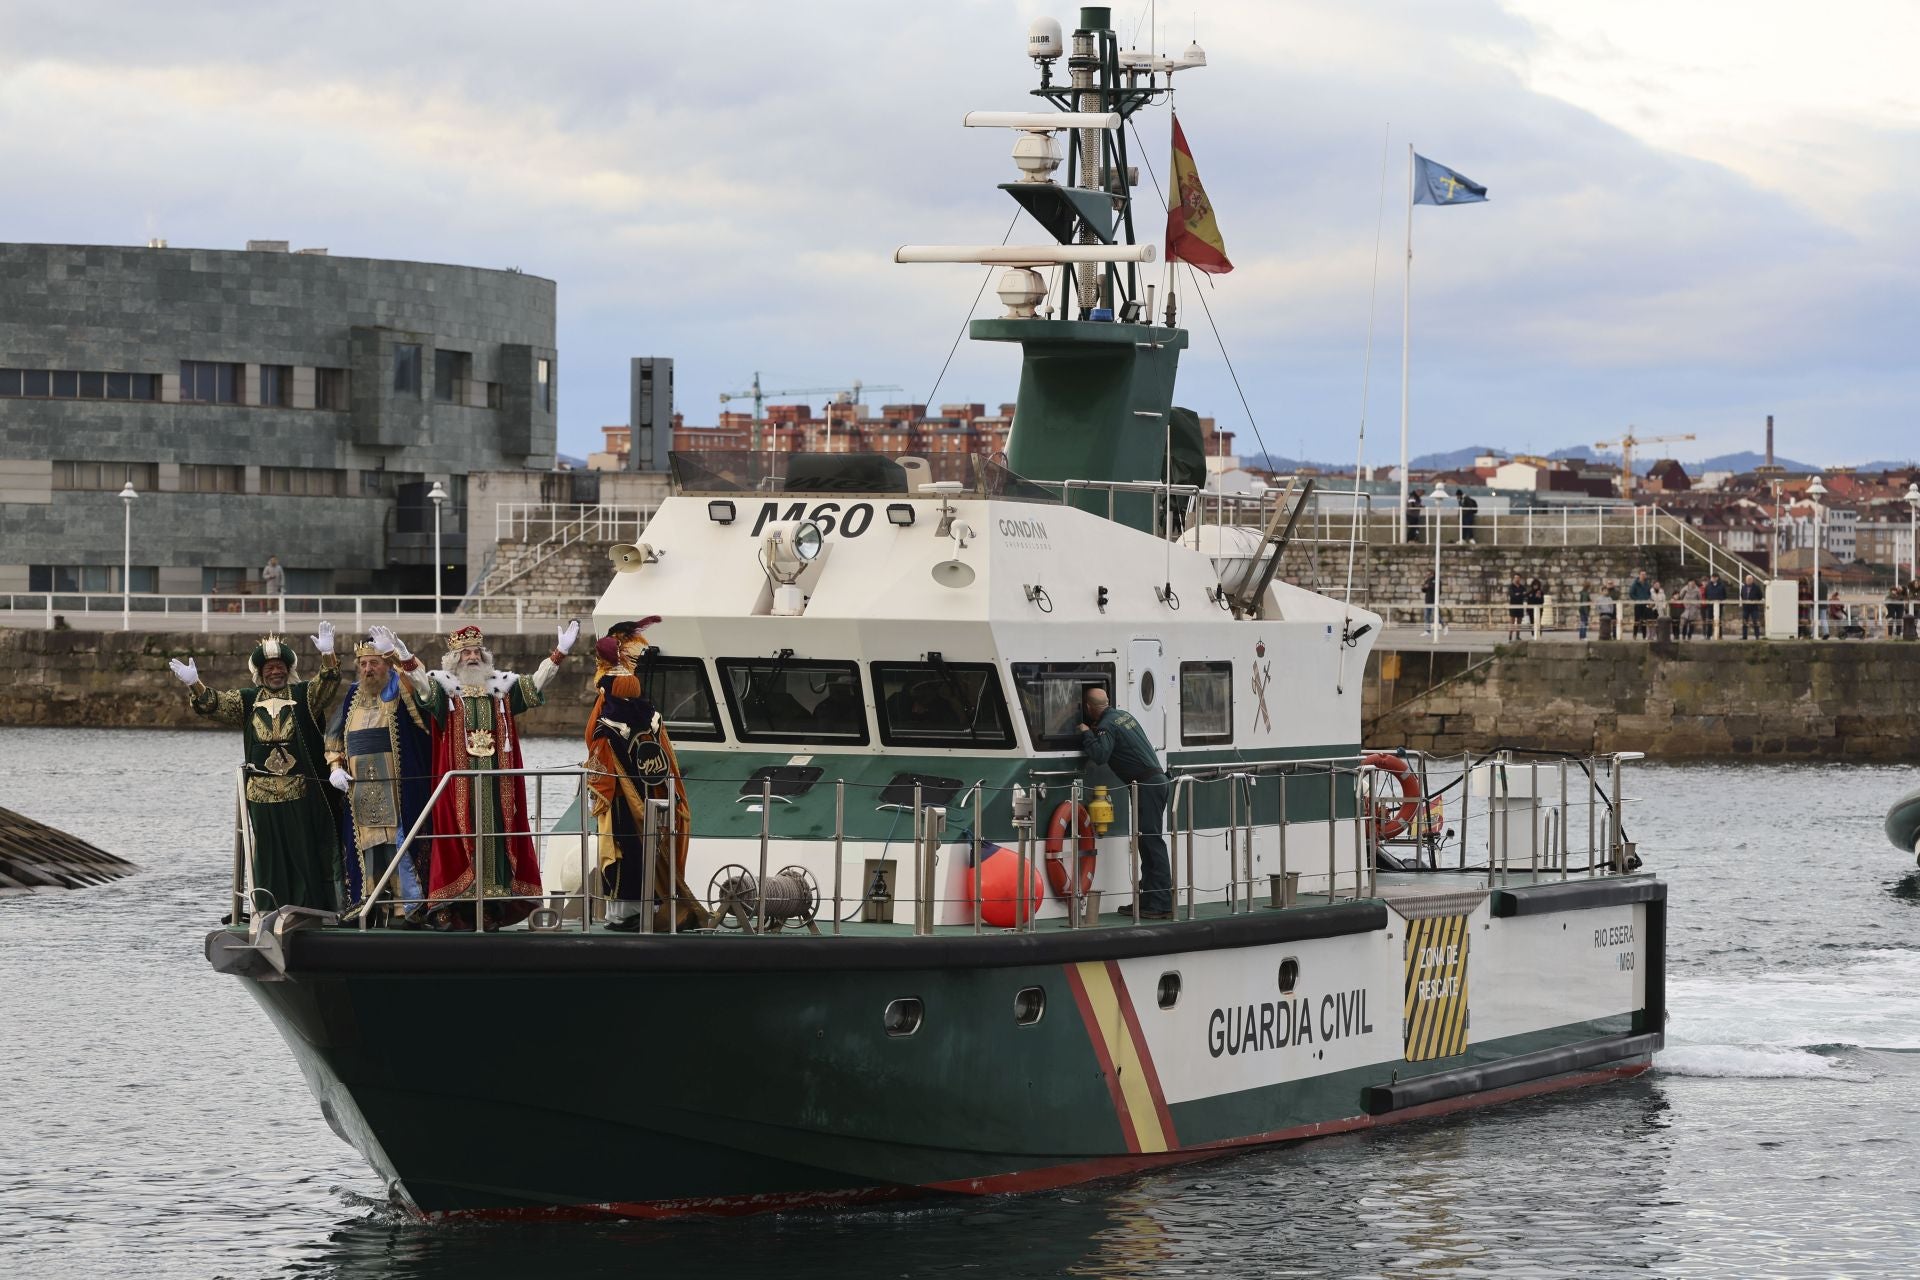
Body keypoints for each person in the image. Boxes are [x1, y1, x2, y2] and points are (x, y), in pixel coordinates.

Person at [407, 620, 580, 930]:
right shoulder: (445, 690)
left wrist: (559, 653)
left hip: (497, 785)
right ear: (453, 659)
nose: (472, 657)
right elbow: (421, 686)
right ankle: (452, 906)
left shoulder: (501, 689)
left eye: (476, 651)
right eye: (465, 653)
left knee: (499, 838)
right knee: (454, 840)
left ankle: (490, 905)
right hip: (458, 786)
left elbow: (536, 683)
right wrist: (404, 659)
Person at [171, 627, 343, 916]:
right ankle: (267, 905)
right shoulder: (247, 700)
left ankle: (308, 906)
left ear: (287, 670)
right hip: (260, 793)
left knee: (302, 849)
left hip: (299, 789)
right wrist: (195, 684)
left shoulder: (304, 695)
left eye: (279, 667)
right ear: (260, 673)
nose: (275, 672)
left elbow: (327, 686)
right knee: (267, 854)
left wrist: (328, 655)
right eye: (269, 668)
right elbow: (216, 704)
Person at [585, 619, 707, 932]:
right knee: (627, 849)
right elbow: (601, 754)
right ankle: (627, 911)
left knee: (650, 847)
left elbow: (658, 753)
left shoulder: (645, 714)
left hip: (649, 793)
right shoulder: (610, 720)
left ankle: (654, 905)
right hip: (622, 797)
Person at [324, 627, 434, 924]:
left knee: (399, 842)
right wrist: (335, 768)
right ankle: (369, 904)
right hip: (359, 787)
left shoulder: (399, 689)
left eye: (374, 663)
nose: (368, 669)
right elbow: (333, 738)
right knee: (368, 846)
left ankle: (408, 907)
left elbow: (425, 695)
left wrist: (397, 655)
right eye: (363, 664)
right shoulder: (351, 697)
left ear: (386, 665)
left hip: (397, 784)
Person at [1078, 686, 1171, 919]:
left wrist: (1085, 732)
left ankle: (1160, 903)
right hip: (1154, 782)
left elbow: (1100, 756)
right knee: (1146, 843)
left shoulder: (1107, 725)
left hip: (1147, 786)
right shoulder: (1124, 716)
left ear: (1089, 708)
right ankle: (1148, 900)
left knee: (1151, 844)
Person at [1628, 570, 1653, 639]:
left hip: (1645, 604)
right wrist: (1637, 599)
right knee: (1637, 620)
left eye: (1644, 574)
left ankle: (1644, 636)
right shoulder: (1635, 584)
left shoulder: (1647, 584)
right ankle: (1634, 635)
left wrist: (1648, 600)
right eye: (1642, 574)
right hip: (1638, 605)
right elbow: (1631, 593)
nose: (1643, 576)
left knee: (1644, 620)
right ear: (1639, 575)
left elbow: (1649, 593)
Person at [1740, 573, 1763, 639]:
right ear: (1745, 580)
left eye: (1750, 579)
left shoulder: (1756, 587)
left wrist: (1755, 600)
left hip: (1754, 608)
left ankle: (1757, 636)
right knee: (1744, 622)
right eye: (1747, 579)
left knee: (1755, 622)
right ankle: (1744, 636)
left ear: (1752, 580)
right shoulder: (1743, 587)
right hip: (1745, 607)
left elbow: (1760, 596)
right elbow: (1742, 595)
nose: (1749, 580)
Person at [1506, 574, 1527, 643]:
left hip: (1520, 606)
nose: (1517, 579)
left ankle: (1517, 636)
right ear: (1514, 579)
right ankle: (1510, 636)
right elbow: (1512, 595)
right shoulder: (1511, 587)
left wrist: (1518, 594)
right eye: (1515, 578)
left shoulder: (1522, 587)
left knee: (1519, 622)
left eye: (1518, 578)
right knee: (1512, 622)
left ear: (1520, 579)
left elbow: (1525, 595)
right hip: (1513, 606)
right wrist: (1519, 594)